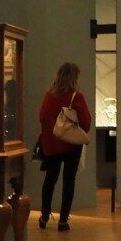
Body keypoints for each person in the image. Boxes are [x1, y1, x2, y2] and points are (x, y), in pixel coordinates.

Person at [36, 61, 92, 231]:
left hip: (52, 144)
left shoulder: (49, 95)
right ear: (74, 78)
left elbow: (42, 117)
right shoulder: (77, 97)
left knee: (50, 179)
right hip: (71, 145)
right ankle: (63, 220)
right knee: (69, 181)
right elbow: (86, 123)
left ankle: (44, 216)